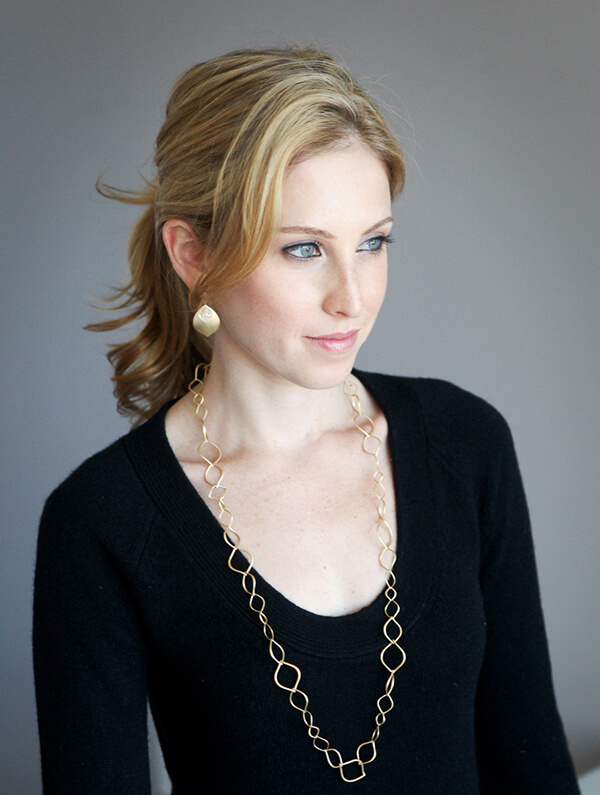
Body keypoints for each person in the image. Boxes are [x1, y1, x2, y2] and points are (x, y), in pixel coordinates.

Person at [33, 46, 580, 793]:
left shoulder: (466, 443)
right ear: (193, 255)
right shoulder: (103, 522)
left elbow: (533, 764)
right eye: (303, 249)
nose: (352, 297)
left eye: (373, 242)